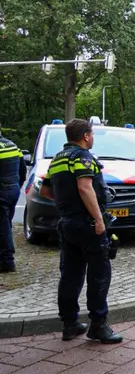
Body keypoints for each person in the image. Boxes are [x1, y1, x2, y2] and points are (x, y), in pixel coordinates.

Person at [38, 119, 122, 343]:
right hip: (87, 225)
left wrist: (68, 202)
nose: (92, 138)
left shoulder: (57, 159)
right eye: (92, 134)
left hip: (67, 224)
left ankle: (70, 324)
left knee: (70, 275)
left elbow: (45, 191)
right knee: (99, 275)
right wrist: (98, 219)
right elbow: (85, 187)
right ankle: (98, 326)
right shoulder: (83, 157)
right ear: (85, 136)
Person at [0, 125, 26, 273]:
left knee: (3, 228)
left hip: (2, 191)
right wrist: (17, 185)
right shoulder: (13, 145)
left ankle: (7, 262)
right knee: (6, 225)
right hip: (13, 190)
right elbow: (22, 170)